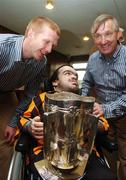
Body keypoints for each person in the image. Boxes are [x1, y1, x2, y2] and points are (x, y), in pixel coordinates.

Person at [17, 64, 117, 180]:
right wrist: (30, 126)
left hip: (83, 155)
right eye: (67, 73)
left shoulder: (87, 103)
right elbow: (23, 118)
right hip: (45, 153)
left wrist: (91, 123)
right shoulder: (42, 98)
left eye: (75, 75)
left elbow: (104, 125)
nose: (74, 76)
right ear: (55, 82)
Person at [0, 16, 60, 180]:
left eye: (52, 46)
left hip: (7, 94)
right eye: (46, 42)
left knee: (7, 142)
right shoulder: (2, 46)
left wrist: (13, 123)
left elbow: (30, 95)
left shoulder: (41, 63)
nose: (49, 49)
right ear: (30, 34)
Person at [82, 13, 126, 180]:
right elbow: (86, 83)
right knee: (106, 152)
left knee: (124, 158)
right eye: (98, 36)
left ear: (117, 34)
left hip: (124, 116)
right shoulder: (93, 59)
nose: (103, 40)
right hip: (101, 118)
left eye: (108, 34)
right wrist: (83, 103)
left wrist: (106, 108)